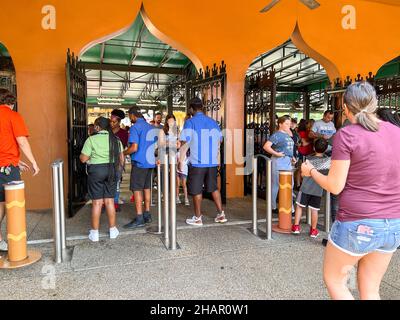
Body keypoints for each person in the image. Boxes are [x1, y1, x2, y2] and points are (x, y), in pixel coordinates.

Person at [302, 81, 400, 300]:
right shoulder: (397, 132)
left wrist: (311, 172)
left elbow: (335, 185)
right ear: (375, 104)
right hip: (393, 224)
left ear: (345, 108)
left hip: (358, 222)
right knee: (372, 290)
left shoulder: (347, 135)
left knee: (335, 280)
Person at [0, 89, 40, 252]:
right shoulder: (13, 116)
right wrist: (33, 162)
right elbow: (21, 142)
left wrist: (16, 160)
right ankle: (14, 246)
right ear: (12, 102)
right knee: (9, 203)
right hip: (6, 169)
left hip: (7, 163)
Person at [179, 97, 226, 226]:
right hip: (211, 162)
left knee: (196, 190)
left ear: (191, 109)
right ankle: (221, 214)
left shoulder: (190, 122)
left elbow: (184, 142)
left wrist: (181, 160)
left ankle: (198, 217)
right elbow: (220, 140)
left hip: (197, 162)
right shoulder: (212, 122)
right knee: (213, 188)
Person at [80, 117, 124, 242]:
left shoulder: (91, 139)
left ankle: (94, 233)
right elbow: (121, 159)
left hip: (97, 171)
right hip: (112, 170)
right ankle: (113, 230)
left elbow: (83, 159)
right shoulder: (116, 140)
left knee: (97, 203)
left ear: (98, 127)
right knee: (110, 201)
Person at [123, 106, 157, 228]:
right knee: (147, 187)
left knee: (137, 189)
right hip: (150, 163)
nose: (129, 118)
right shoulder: (151, 127)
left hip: (139, 163)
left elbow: (134, 148)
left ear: (133, 115)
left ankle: (139, 217)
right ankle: (147, 214)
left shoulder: (135, 127)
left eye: (129, 116)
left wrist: (123, 153)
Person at [292, 138, 331, 238]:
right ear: (326, 149)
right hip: (317, 189)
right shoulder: (327, 161)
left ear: (313, 147)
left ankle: (296, 226)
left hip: (305, 188)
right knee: (314, 210)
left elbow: (302, 174)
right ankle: (313, 230)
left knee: (299, 207)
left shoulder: (308, 159)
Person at [263, 115, 295, 213]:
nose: (288, 126)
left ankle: (288, 207)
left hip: (287, 161)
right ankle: (273, 207)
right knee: (277, 184)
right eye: (286, 123)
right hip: (279, 161)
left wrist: (291, 156)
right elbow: (266, 146)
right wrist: (277, 153)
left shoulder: (286, 135)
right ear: (280, 124)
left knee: (290, 184)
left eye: (289, 124)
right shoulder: (277, 135)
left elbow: (287, 148)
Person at [110, 109, 129, 212]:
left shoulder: (124, 133)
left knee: (117, 181)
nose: (111, 123)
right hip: (106, 161)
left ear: (119, 122)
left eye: (114, 121)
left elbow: (125, 148)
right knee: (107, 182)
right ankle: (107, 202)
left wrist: (122, 162)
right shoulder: (107, 132)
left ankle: (115, 202)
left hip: (118, 161)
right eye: (110, 120)